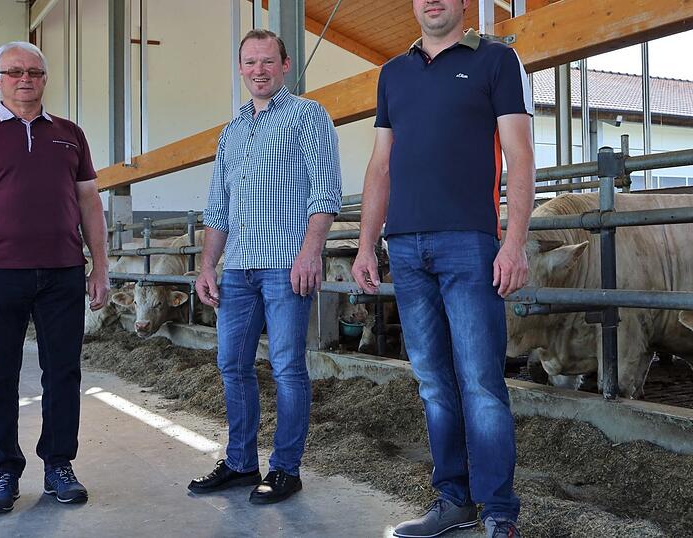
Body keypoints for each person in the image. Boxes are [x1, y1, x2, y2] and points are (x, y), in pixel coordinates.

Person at [351, 1, 535, 536]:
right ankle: (453, 501)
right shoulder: (393, 73)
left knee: (480, 382)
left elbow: (520, 155)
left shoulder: (496, 60)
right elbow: (381, 163)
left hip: (469, 243)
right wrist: (366, 244)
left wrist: (514, 243)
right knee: (432, 382)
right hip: (405, 247)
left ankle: (499, 511)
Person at [0, 41, 109, 514]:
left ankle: (59, 465)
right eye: (14, 72)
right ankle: (3, 470)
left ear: (45, 78)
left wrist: (100, 266)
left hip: (63, 271)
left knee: (64, 372)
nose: (25, 79)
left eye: (34, 71)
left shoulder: (70, 134)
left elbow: (89, 201)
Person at [188, 29, 342, 505]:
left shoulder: (307, 115)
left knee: (287, 367)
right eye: (250, 62)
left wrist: (311, 252)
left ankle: (286, 469)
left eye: (268, 61)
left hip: (284, 266)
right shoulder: (232, 131)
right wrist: (208, 266)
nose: (259, 70)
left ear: (285, 65)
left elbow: (326, 191)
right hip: (237, 269)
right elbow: (218, 207)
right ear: (240, 69)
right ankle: (240, 463)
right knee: (232, 364)